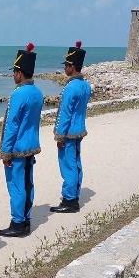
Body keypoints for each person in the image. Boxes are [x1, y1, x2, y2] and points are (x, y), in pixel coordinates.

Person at [0, 43, 44, 237]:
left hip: (16, 148)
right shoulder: (37, 92)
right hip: (30, 144)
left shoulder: (18, 94)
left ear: (20, 72)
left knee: (16, 186)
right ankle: (25, 219)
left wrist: (5, 151)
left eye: (15, 71)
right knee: (27, 184)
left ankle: (17, 222)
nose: (13, 75)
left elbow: (11, 125)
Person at [51, 41, 92, 213]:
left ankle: (69, 199)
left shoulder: (70, 88)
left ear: (72, 66)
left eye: (67, 65)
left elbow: (65, 114)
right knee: (76, 163)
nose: (65, 69)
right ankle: (74, 193)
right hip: (79, 129)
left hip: (68, 132)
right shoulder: (85, 85)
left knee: (68, 166)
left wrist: (60, 135)